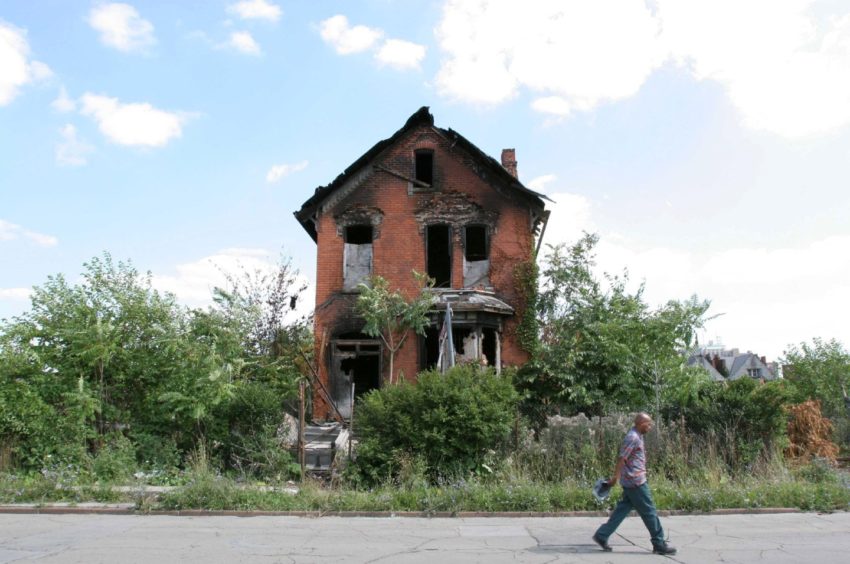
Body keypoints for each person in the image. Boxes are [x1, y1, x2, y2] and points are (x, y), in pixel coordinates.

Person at [592, 413, 677, 555]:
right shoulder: (632, 437)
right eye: (648, 424)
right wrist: (615, 479)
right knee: (649, 511)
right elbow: (621, 459)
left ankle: (602, 535)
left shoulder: (638, 435)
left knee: (622, 510)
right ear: (641, 423)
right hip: (635, 482)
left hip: (632, 481)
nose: (650, 427)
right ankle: (659, 543)